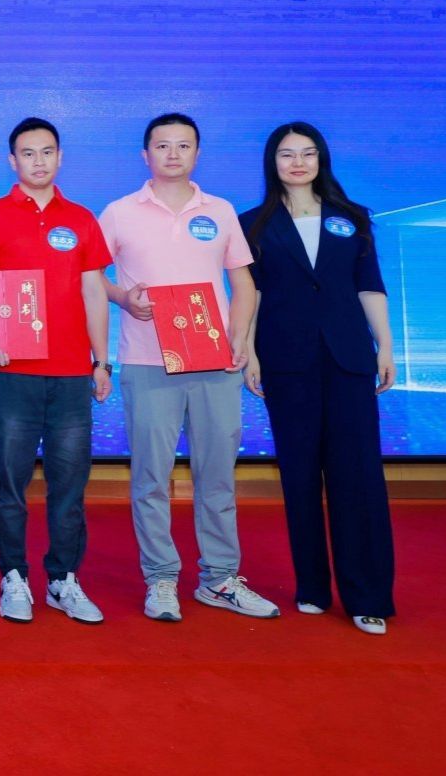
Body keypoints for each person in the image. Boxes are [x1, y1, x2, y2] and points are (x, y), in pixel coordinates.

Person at [99, 112, 280, 621]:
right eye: (162, 145)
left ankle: (219, 578)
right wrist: (123, 297)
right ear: (145, 155)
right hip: (146, 362)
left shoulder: (220, 211)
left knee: (217, 476)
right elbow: (89, 276)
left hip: (215, 363)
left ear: (197, 153)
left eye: (183, 145)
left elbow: (244, 285)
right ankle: (160, 579)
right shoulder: (119, 212)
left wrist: (239, 339)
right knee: (151, 479)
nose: (173, 154)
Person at [240, 122, 396, 635]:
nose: (298, 163)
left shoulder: (353, 217)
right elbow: (253, 294)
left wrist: (385, 346)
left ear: (321, 159)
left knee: (358, 475)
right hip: (285, 360)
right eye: (287, 154)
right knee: (299, 473)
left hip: (348, 359)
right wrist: (249, 352)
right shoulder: (253, 224)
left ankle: (367, 596)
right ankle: (311, 585)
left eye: (308, 153)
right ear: (273, 162)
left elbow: (369, 286)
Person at [0, 118, 112, 625]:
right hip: (13, 372)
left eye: (47, 152)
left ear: (60, 157)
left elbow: (94, 292)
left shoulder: (81, 219)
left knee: (69, 485)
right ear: (13, 161)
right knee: (10, 482)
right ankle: (13, 576)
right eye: (28, 153)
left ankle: (63, 579)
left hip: (71, 374)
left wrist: (101, 360)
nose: (39, 161)